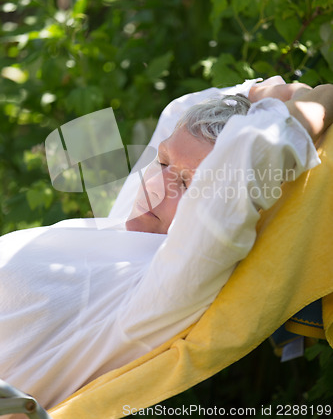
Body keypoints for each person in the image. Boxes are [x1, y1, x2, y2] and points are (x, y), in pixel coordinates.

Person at [0, 78, 332, 411]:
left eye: (189, 184)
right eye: (161, 161)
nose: (156, 186)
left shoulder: (157, 287)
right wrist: (255, 94)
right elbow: (177, 113)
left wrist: (315, 99)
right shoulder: (132, 225)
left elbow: (247, 158)